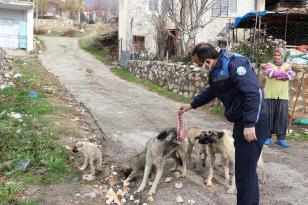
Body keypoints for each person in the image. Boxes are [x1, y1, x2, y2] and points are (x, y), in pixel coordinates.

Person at [179, 43, 269, 205]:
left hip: (253, 121)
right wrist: (192, 105)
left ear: (207, 61)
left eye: (198, 64)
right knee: (243, 170)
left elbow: (253, 92)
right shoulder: (216, 71)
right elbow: (213, 91)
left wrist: (249, 123)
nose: (199, 68)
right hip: (242, 121)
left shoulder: (234, 64)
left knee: (245, 171)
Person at [263, 48, 294, 147]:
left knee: (282, 117)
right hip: (270, 94)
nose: (277, 57)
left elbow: (290, 76)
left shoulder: (287, 65)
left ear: (282, 56)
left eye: (279, 55)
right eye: (275, 55)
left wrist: (278, 75)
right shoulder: (269, 65)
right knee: (269, 116)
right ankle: (267, 137)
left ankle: (280, 138)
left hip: (282, 95)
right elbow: (270, 73)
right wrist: (283, 75)